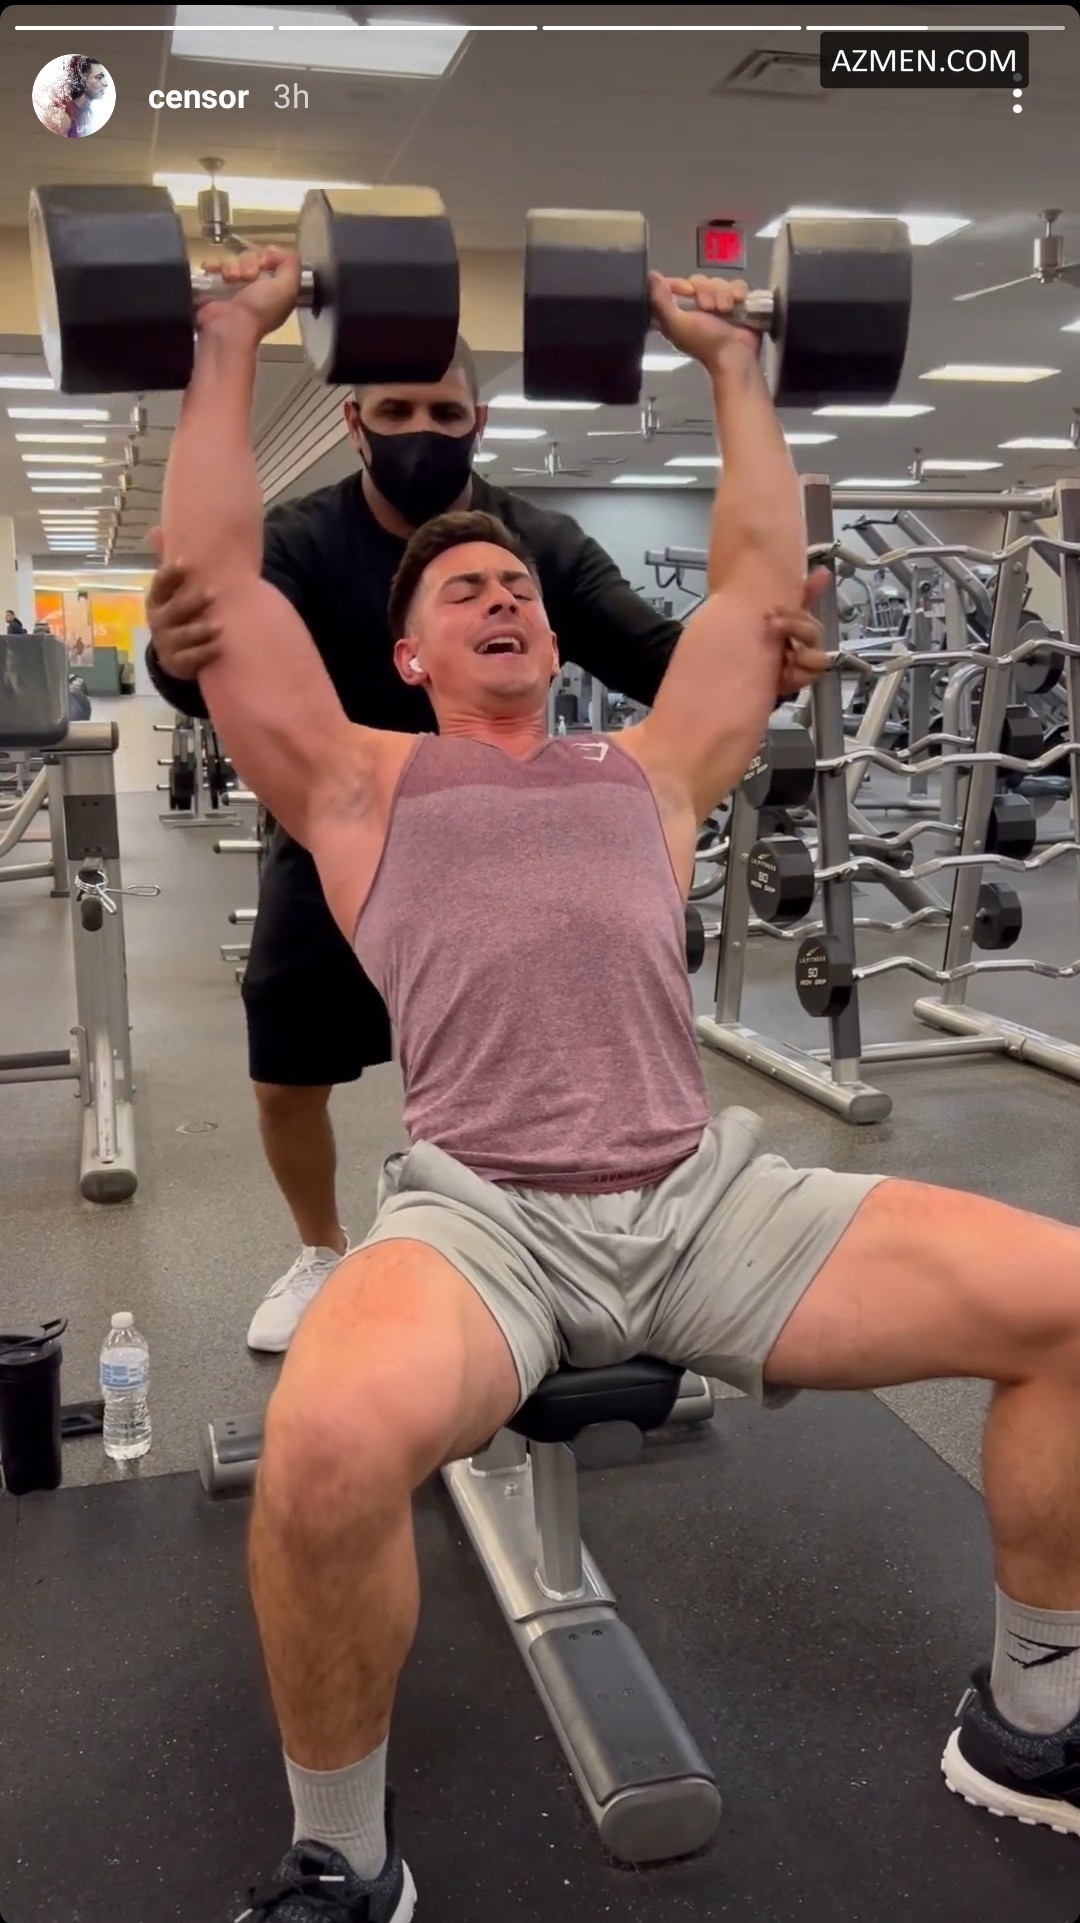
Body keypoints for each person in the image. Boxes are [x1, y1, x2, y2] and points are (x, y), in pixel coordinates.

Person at [165, 248, 1080, 1921]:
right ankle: (342, 1856)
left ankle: (1035, 1713)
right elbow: (219, 586)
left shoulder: (647, 773)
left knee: (1069, 1301)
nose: (503, 596)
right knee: (327, 1444)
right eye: (463, 590)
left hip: (711, 1198)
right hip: (484, 1221)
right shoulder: (361, 785)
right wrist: (227, 339)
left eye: (517, 579)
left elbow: (750, 589)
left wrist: (733, 363)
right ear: (409, 654)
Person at [146, 317, 827, 1355]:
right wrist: (173, 649)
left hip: (518, 833)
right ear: (354, 424)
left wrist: (760, 663)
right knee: (285, 1075)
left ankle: (576, 1237)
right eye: (396, 412)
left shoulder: (533, 546)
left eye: (444, 411)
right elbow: (223, 633)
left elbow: (668, 659)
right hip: (351, 832)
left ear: (481, 419)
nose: (421, 430)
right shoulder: (304, 540)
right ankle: (321, 1247)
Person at [33, 55, 111, 139]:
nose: (106, 83)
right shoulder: (62, 115)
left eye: (104, 77)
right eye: (99, 77)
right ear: (82, 80)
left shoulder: (89, 113)